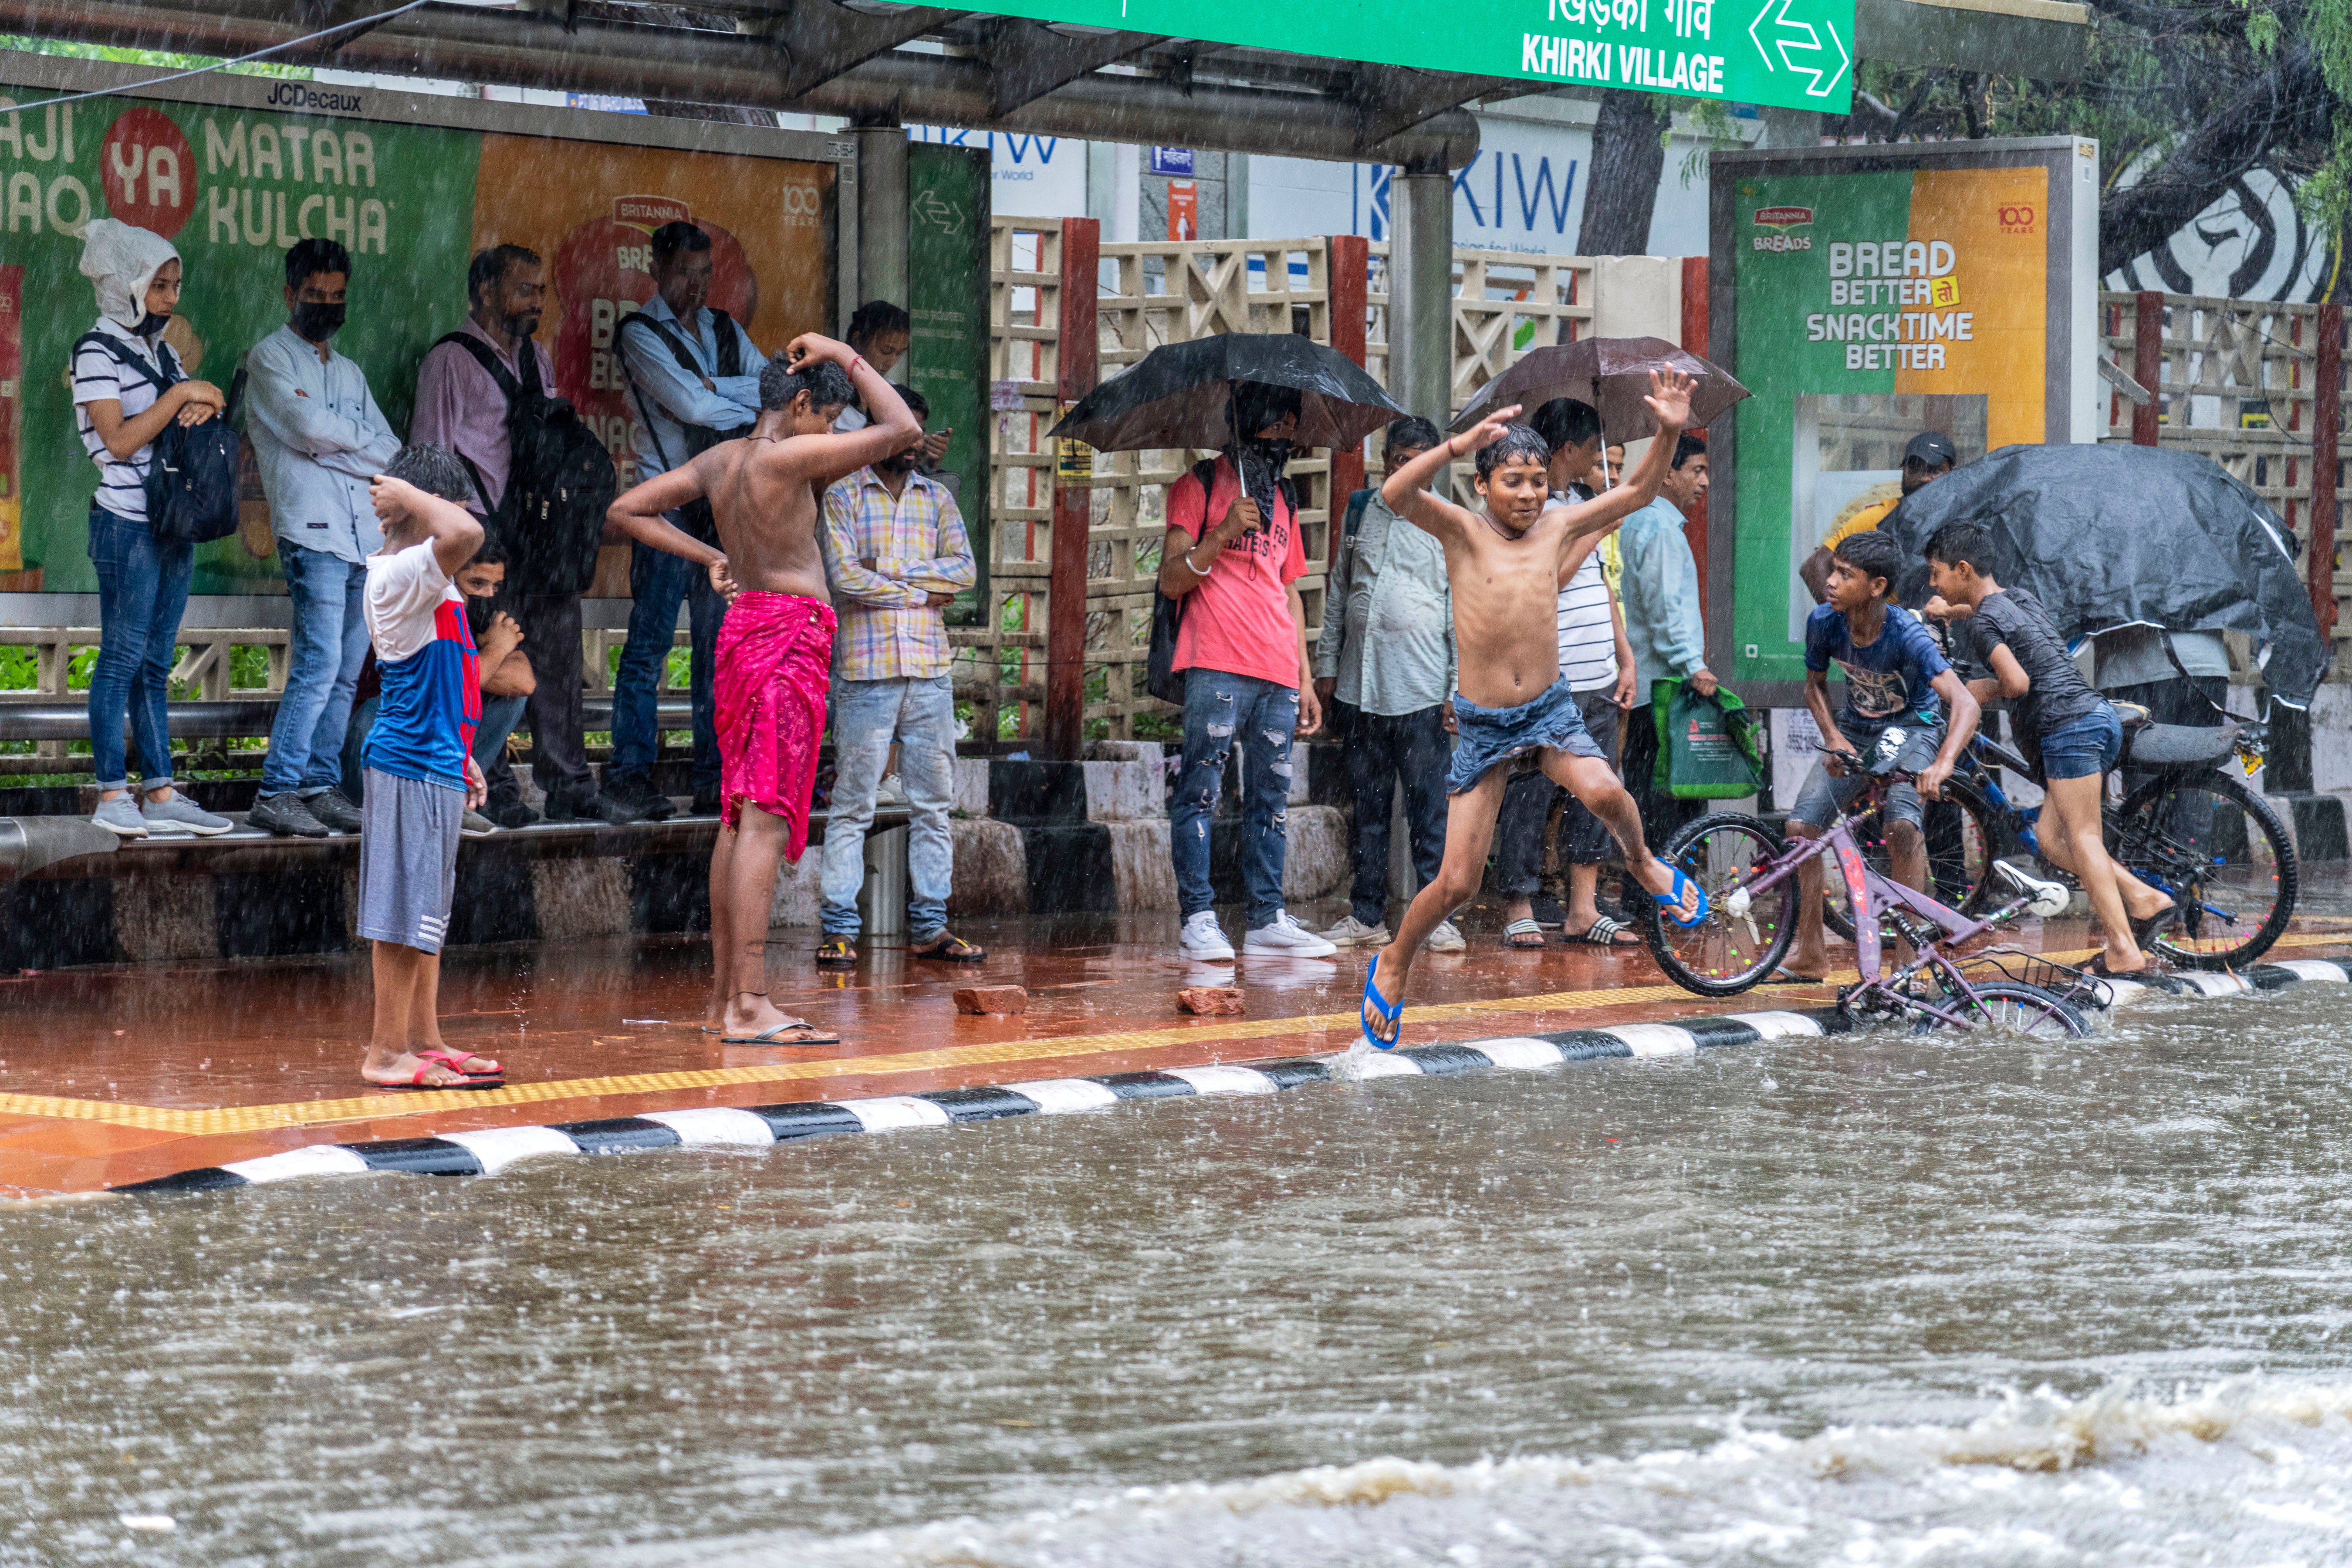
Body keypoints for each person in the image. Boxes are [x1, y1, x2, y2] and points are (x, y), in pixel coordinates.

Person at [1362, 379, 1709, 1048]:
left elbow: (1638, 493)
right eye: (1513, 482)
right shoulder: (1462, 531)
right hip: (1485, 726)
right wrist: (1458, 444)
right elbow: (1397, 495)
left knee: (1606, 792)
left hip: (1549, 713)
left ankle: (1642, 862)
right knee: (1457, 884)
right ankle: (1396, 960)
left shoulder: (1557, 524)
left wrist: (1669, 430)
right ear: (1483, 485)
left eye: (1537, 482)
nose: (1528, 495)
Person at [606, 334, 918, 1044]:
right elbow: (903, 428)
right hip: (788, 636)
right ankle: (750, 1005)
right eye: (829, 420)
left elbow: (627, 510)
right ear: (802, 404)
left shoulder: (721, 460)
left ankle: (727, 1001)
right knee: (766, 819)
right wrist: (844, 350)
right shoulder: (788, 457)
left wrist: (711, 553)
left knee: (738, 814)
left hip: (743, 629)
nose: (832, 436)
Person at [413, 243, 640, 827]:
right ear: (485, 291)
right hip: (484, 537)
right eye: (523, 290)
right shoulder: (450, 360)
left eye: (540, 290)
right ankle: (494, 789)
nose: (536, 301)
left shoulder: (537, 358)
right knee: (490, 659)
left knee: (559, 660)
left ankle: (570, 785)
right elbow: (431, 460)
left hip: (542, 531)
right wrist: (456, 544)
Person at [1925, 522, 2177, 977]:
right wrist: (1951, 611)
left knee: (2084, 838)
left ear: (1962, 569)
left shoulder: (1983, 624)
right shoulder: (2017, 598)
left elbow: (2017, 682)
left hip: (2068, 727)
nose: (1932, 584)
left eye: (1936, 573)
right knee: (2052, 840)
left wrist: (1978, 689)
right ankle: (2144, 898)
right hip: (2094, 716)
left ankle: (2124, 950)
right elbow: (1992, 615)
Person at [1157, 382, 1335, 962]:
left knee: (1272, 799)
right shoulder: (1199, 485)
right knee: (1200, 792)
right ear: (1247, 423)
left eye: (1292, 429)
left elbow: (1290, 592)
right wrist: (1222, 534)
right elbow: (1172, 580)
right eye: (1277, 426)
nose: (1286, 439)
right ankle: (1198, 917)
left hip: (1278, 670)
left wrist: (1304, 678)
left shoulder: (1284, 496)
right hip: (1216, 662)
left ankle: (1266, 919)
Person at [70, 219, 233, 839]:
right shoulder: (95, 350)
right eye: (158, 286)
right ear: (125, 286)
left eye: (174, 286)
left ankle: (161, 791)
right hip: (125, 525)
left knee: (154, 662)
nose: (169, 299)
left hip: (171, 523)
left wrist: (203, 397)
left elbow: (208, 399)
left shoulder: (160, 351)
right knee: (120, 659)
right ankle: (113, 792)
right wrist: (181, 395)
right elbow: (117, 441)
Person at [814, 388, 984, 968]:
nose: (914, 442)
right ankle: (839, 928)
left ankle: (931, 926)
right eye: (905, 430)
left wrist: (886, 571)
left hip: (930, 673)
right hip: (867, 673)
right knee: (853, 805)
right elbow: (843, 578)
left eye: (919, 431)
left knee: (934, 806)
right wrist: (920, 592)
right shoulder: (842, 495)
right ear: (879, 432)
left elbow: (965, 572)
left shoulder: (937, 498)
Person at [247, 237, 404, 840]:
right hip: (312, 533)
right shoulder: (270, 358)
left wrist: (334, 446)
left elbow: (391, 452)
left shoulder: (349, 372)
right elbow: (304, 427)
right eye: (316, 294)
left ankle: (319, 784)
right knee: (320, 663)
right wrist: (347, 443)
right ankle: (277, 790)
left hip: (364, 535)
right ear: (290, 295)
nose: (328, 305)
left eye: (337, 296)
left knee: (345, 671)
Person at [606, 221, 762, 821]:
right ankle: (630, 775)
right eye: (682, 274)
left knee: (716, 649)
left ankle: (712, 780)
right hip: (665, 504)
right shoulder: (638, 332)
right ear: (656, 271)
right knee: (648, 646)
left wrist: (718, 385)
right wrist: (735, 399)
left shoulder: (726, 328)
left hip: (722, 506)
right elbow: (691, 406)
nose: (695, 287)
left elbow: (773, 389)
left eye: (703, 274)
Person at [356, 444, 501, 1089]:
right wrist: (411, 497)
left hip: (434, 758)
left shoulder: (426, 575)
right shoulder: (400, 573)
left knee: (426, 918)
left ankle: (424, 1040)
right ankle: (385, 1052)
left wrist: (462, 751)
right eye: (446, 507)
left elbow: (445, 679)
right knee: (401, 915)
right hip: (407, 762)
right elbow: (466, 533)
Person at [1784, 530, 1982, 980]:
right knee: (1801, 831)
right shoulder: (1824, 622)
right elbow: (1814, 686)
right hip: (1856, 730)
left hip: (1913, 727)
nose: (1830, 581)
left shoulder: (1906, 633)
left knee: (1900, 828)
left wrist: (1943, 763)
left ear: (1877, 587)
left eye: (1845, 575)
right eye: (1833, 570)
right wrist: (1833, 736)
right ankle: (1811, 951)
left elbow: (1965, 703)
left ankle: (1906, 963)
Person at [1491, 397, 1640, 950]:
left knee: (1595, 793)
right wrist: (1596, 531)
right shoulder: (1528, 510)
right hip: (1548, 678)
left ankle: (1583, 908)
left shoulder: (1581, 501)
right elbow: (1548, 580)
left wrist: (1625, 657)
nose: (1598, 459)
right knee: (1530, 790)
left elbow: (1600, 586)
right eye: (1592, 448)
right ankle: (1519, 904)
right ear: (1570, 448)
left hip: (1597, 672)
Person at [1311, 416, 1462, 954]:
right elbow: (1339, 589)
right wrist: (1327, 665)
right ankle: (1366, 915)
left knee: (1429, 812)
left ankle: (1436, 919)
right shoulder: (1360, 510)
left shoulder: (1449, 521)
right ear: (1386, 462)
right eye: (1401, 461)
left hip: (1423, 691)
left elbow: (1459, 608)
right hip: (1360, 687)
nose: (1409, 471)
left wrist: (1457, 687)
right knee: (1368, 810)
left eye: (1420, 463)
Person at [342, 538, 532, 839]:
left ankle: (452, 795)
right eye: (478, 583)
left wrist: (478, 664)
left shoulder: (481, 611)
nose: (488, 594)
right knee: (381, 708)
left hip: (433, 745)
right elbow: (449, 683)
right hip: (373, 749)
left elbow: (524, 680)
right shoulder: (423, 603)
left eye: (495, 586)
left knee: (509, 699)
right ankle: (373, 803)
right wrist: (497, 648)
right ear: (450, 574)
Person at [1615, 432, 1715, 847]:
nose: (1704, 481)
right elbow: (1666, 611)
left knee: (1646, 796)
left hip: (1642, 688)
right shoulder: (1659, 528)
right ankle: (1663, 882)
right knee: (1667, 807)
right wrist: (1694, 665)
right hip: (1662, 689)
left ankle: (1650, 879)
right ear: (1668, 474)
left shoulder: (1638, 519)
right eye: (1697, 470)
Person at [1799, 429, 1956, 604]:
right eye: (1915, 468)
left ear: (1953, 473)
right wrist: (1837, 617)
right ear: (1904, 472)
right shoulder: (1880, 517)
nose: (1924, 478)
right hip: (1890, 620)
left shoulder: (1964, 517)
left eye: (1935, 470)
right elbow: (1814, 567)